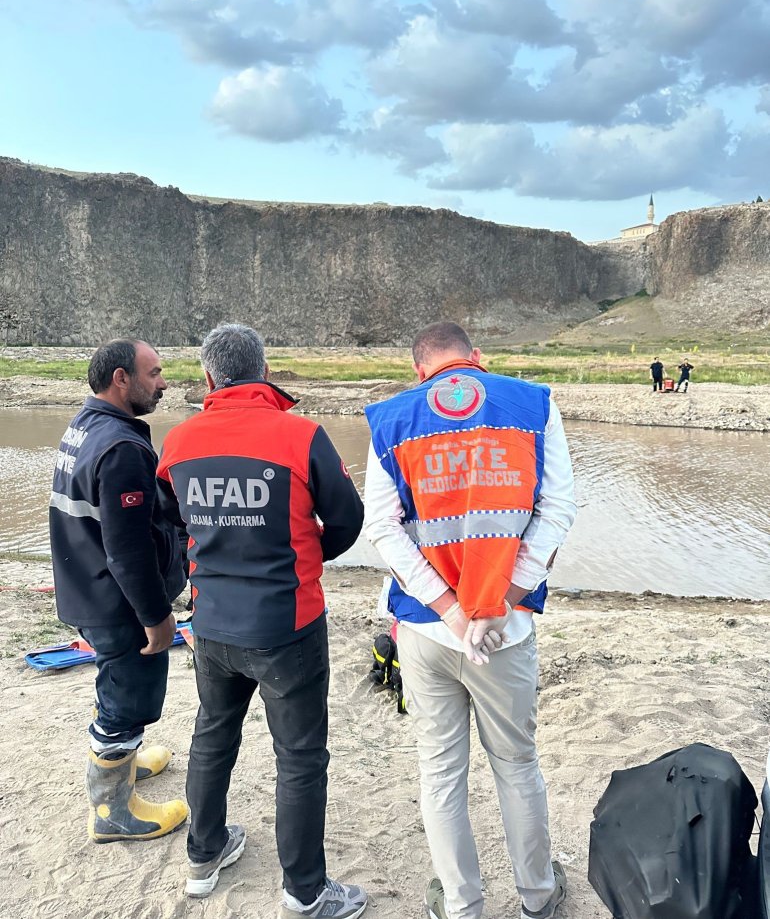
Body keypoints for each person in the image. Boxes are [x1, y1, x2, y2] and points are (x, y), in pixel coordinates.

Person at [363, 321, 576, 919]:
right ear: (477, 358)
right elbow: (558, 510)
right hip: (505, 631)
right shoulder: (534, 405)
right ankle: (537, 896)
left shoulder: (391, 419)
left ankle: (461, 906)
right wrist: (500, 602)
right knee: (517, 764)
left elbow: (383, 529)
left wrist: (451, 612)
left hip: (427, 630)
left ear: (418, 371)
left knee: (440, 770)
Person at [156, 323, 368, 918]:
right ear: (266, 372)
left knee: (212, 735)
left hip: (211, 624)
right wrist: (307, 551)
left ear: (208, 378)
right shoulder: (301, 436)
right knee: (300, 756)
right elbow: (347, 519)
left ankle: (203, 857)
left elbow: (171, 520)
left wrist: (216, 550)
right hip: (287, 625)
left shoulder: (178, 442)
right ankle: (304, 891)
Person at [49, 339, 188, 842]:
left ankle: (124, 761)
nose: (163, 383)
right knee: (126, 701)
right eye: (154, 373)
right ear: (121, 378)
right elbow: (129, 549)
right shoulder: (122, 448)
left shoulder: (85, 425)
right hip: (119, 604)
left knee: (115, 684)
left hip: (86, 589)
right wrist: (157, 617)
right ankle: (112, 811)